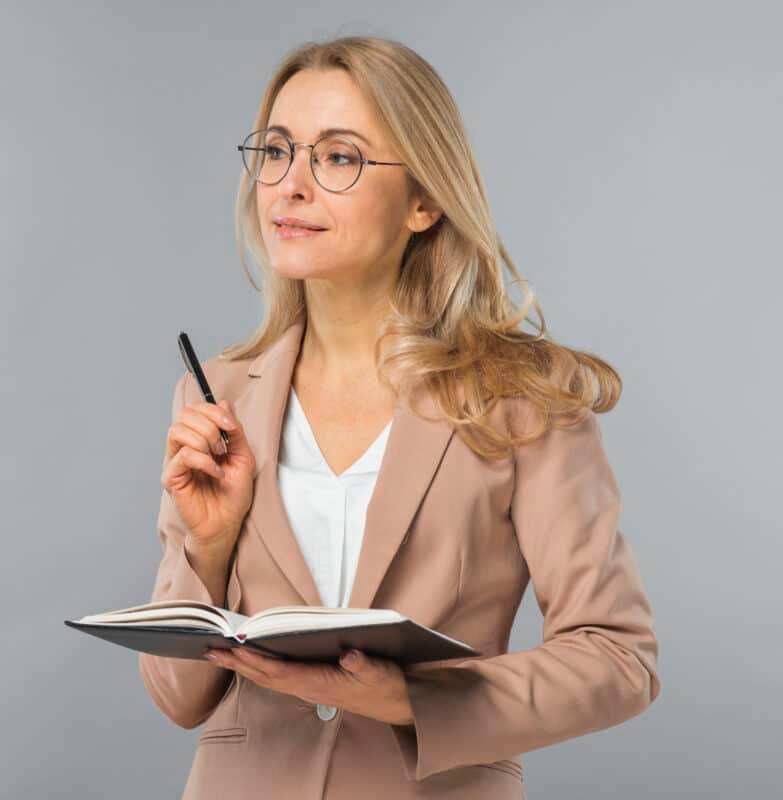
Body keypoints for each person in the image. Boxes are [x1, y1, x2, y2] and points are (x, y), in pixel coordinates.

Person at [137, 36, 661, 799]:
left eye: (339, 158)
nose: (289, 186)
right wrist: (208, 546)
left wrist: (413, 700)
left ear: (424, 199)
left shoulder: (520, 396)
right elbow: (175, 698)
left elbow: (618, 660)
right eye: (276, 151)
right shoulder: (214, 395)